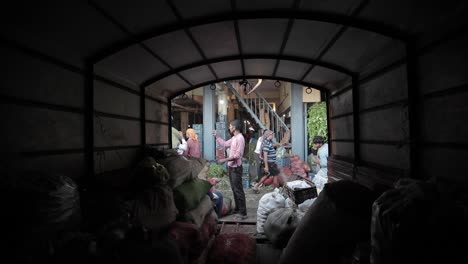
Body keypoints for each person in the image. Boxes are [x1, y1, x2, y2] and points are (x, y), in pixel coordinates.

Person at [212, 119, 247, 220]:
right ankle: (237, 209)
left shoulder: (240, 138)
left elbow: (237, 155)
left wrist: (224, 160)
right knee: (234, 189)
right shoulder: (234, 138)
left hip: (236, 168)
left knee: (238, 189)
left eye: (231, 126)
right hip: (231, 167)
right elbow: (225, 144)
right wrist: (216, 136)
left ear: (235, 127)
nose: (230, 127)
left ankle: (243, 213)